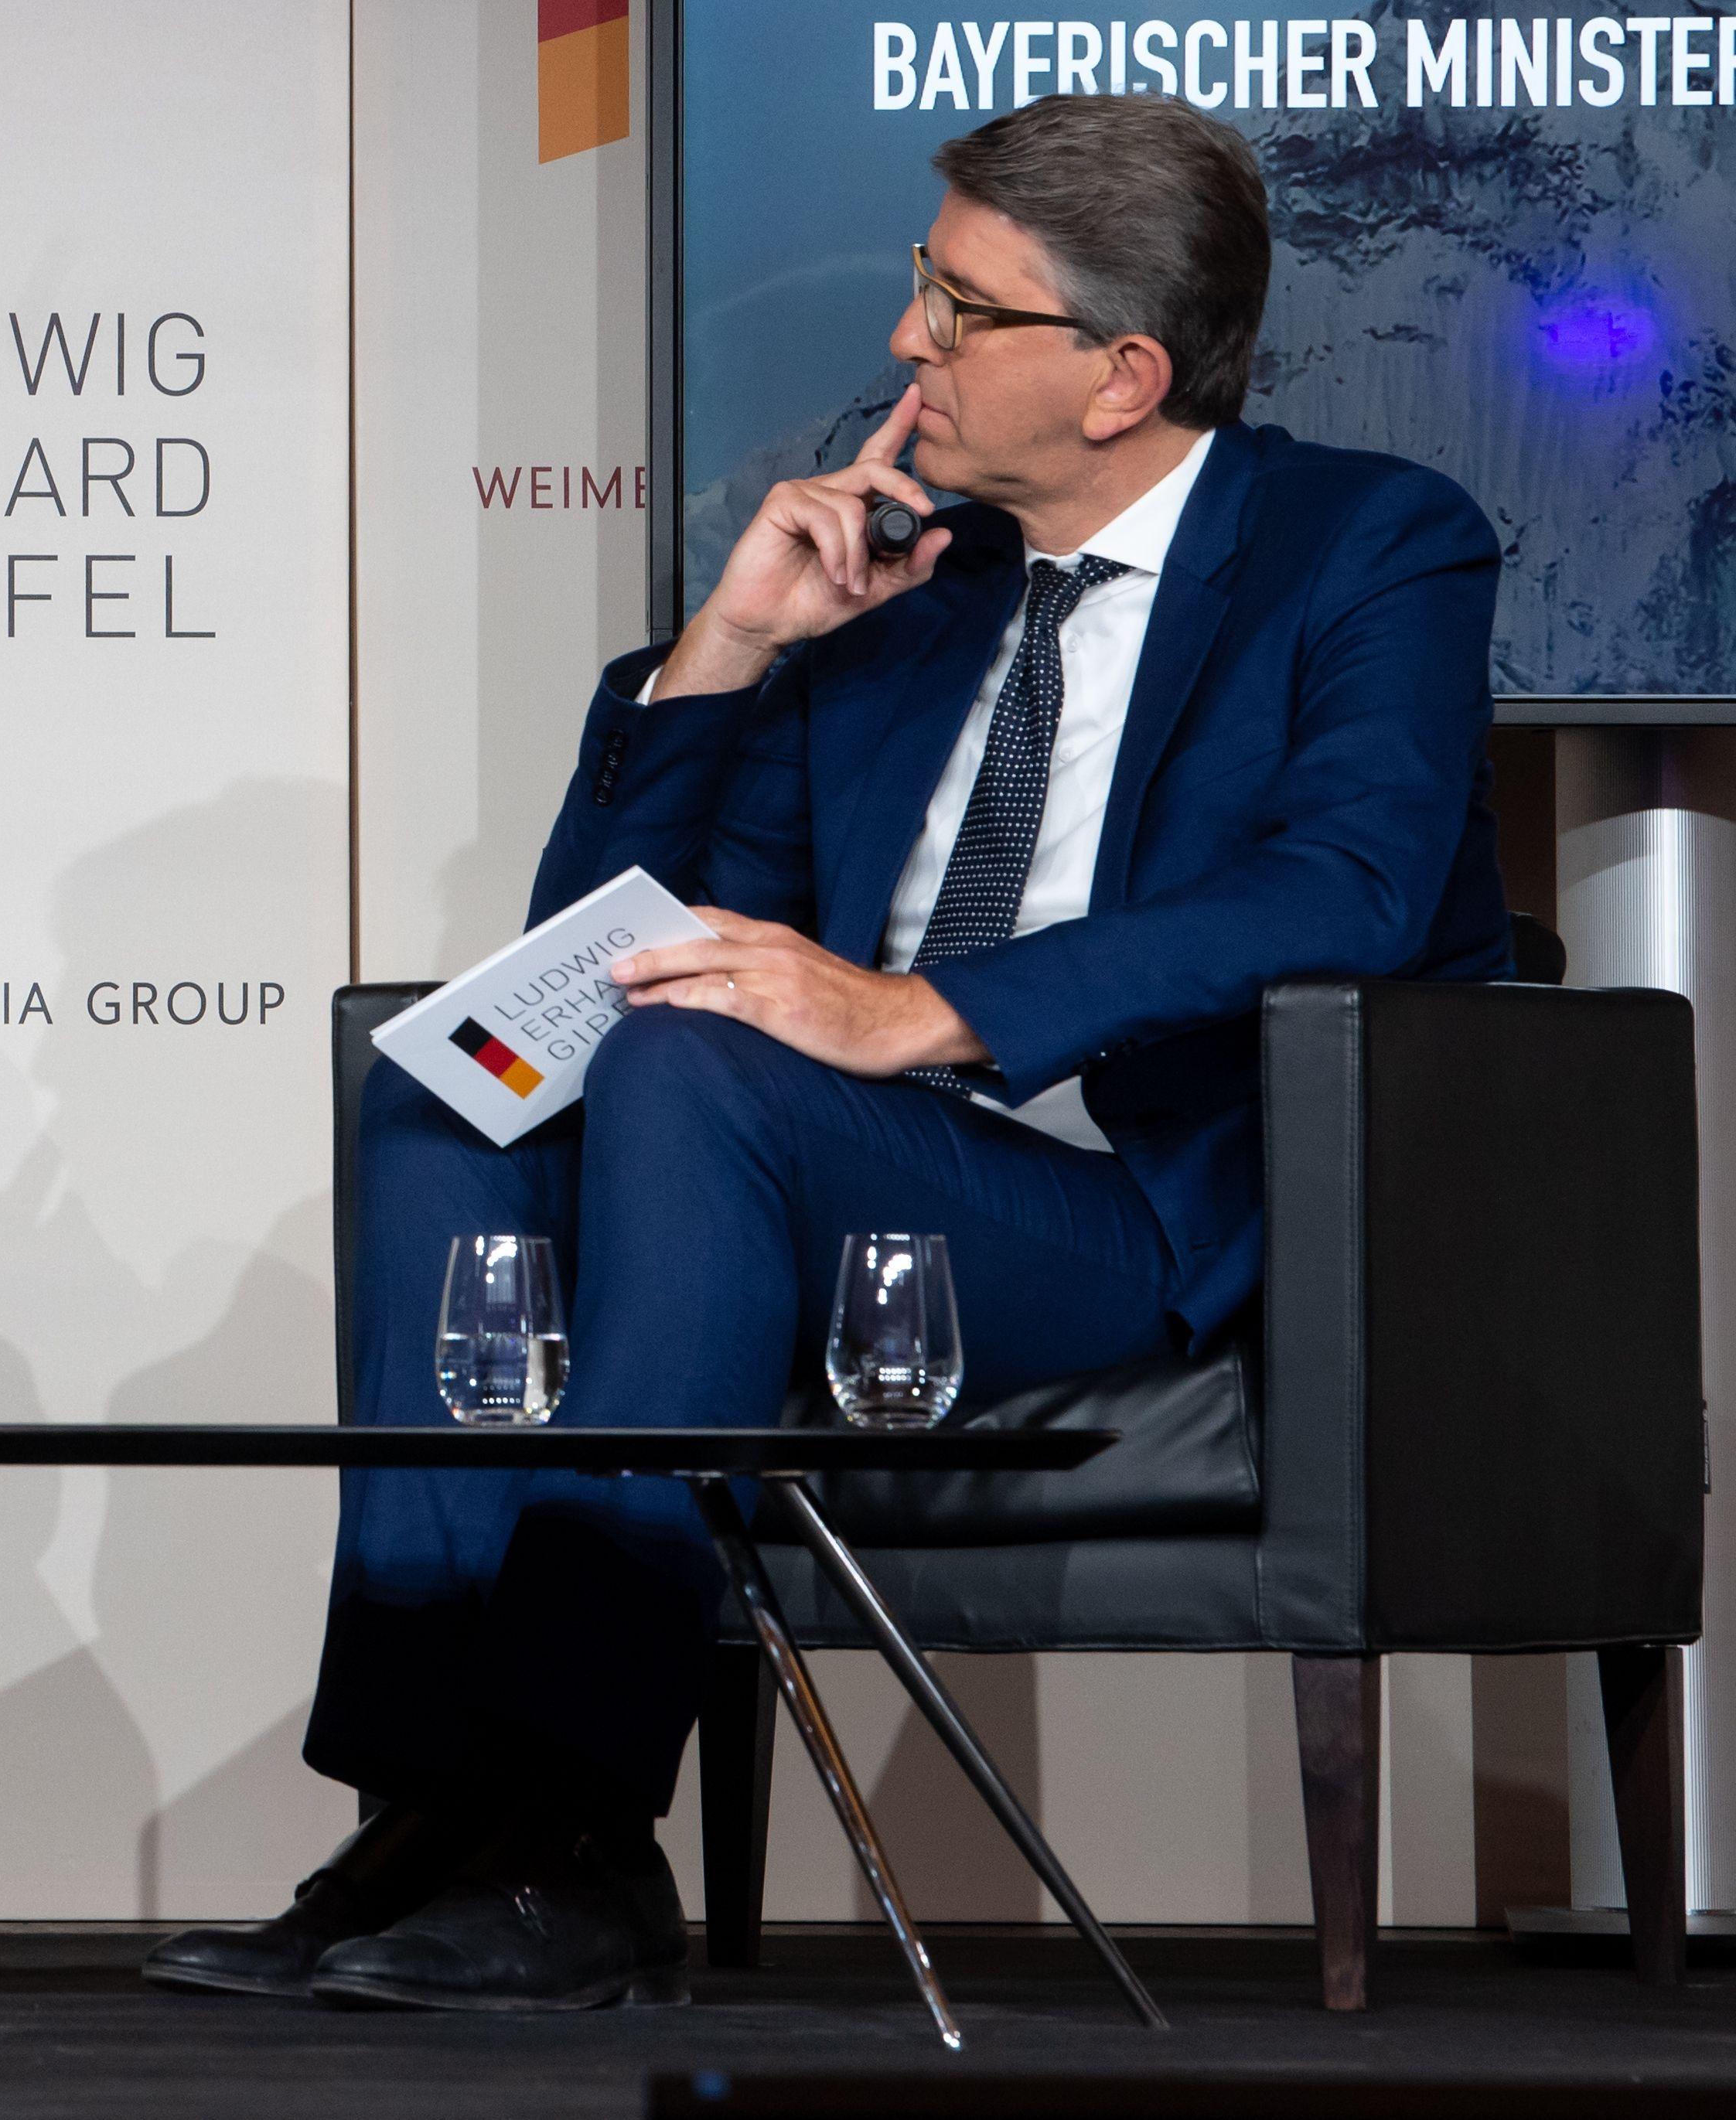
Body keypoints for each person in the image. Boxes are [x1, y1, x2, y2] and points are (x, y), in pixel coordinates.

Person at [150, 94, 1511, 2013]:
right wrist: (726, 646)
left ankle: (563, 1823)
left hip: (1122, 1204)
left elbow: (1351, 886)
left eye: (959, 311)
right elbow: (602, 945)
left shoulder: (1363, 545)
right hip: (811, 1166)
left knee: (701, 1072)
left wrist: (924, 1012)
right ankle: (444, 1813)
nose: (904, 348)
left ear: (1120, 374)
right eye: (914, 289)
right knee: (460, 1089)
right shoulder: (903, 602)